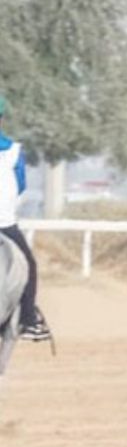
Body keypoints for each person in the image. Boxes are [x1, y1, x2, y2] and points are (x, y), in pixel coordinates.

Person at [0, 95, 51, 342]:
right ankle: (29, 320)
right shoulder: (13, 151)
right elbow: (20, 185)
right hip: (5, 223)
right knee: (28, 265)